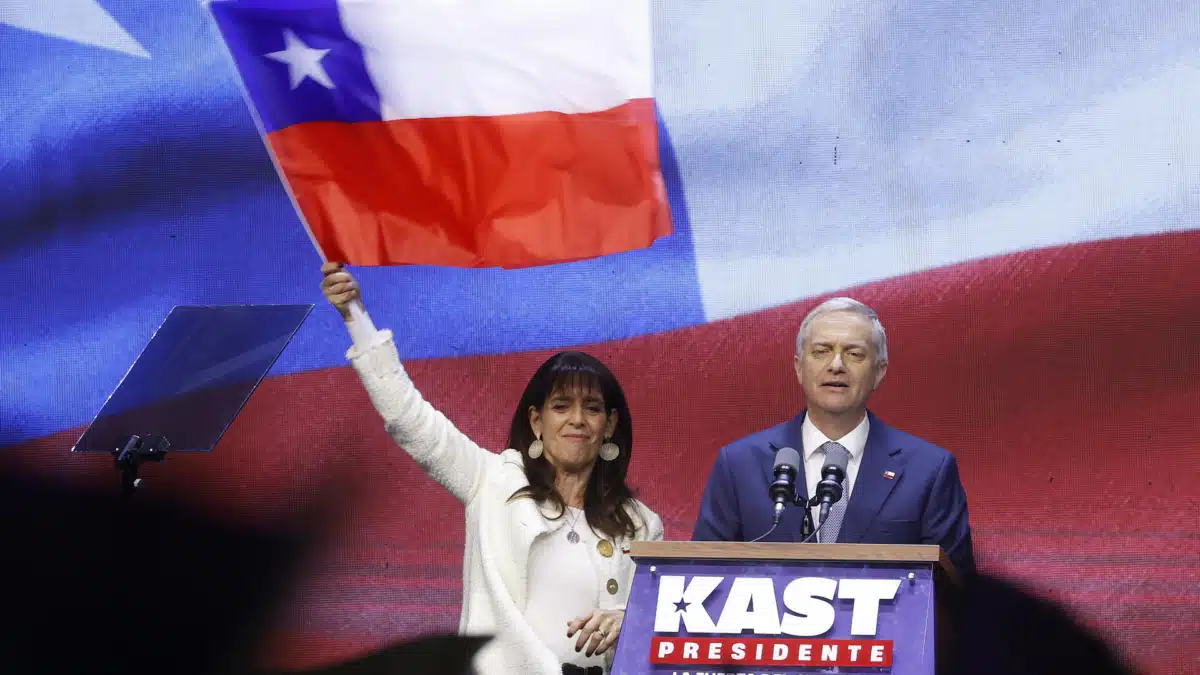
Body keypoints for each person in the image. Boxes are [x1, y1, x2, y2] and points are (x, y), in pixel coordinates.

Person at [319, 262, 664, 675]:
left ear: (609, 425)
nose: (577, 419)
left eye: (592, 408)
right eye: (561, 406)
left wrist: (628, 620)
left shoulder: (641, 526)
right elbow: (408, 417)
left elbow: (662, 633)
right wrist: (355, 315)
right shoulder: (492, 480)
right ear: (536, 421)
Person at [691, 297, 976, 574]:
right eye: (821, 351)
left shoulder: (929, 471)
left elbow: (956, 590)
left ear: (879, 372)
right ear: (799, 367)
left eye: (854, 354)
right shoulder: (739, 464)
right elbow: (699, 576)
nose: (836, 365)